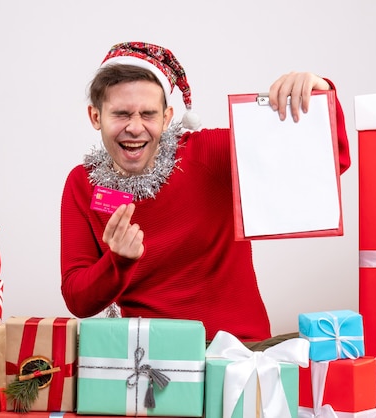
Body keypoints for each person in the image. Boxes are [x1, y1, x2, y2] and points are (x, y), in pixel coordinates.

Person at [60, 41, 350, 343]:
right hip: (153, 360)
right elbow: (79, 300)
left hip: (240, 350)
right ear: (95, 116)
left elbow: (329, 165)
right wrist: (117, 262)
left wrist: (319, 92)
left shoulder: (209, 155)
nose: (135, 127)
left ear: (167, 116)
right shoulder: (83, 185)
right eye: (121, 114)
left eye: (148, 114)